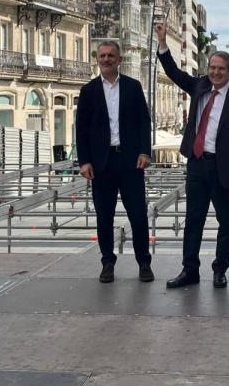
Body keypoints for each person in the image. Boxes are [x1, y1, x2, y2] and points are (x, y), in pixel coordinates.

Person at [156, 22, 229, 289]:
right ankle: (190, 270)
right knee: (193, 220)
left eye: (221, 69)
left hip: (224, 169)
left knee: (226, 222)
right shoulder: (199, 87)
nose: (216, 73)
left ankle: (220, 270)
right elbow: (174, 73)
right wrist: (163, 42)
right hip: (197, 165)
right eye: (212, 68)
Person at [75, 40, 154, 283]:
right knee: (104, 215)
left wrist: (145, 151)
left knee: (138, 215)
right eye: (102, 56)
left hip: (130, 160)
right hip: (101, 163)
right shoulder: (88, 91)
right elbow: (82, 128)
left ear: (119, 60)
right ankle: (107, 262)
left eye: (111, 56)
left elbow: (143, 121)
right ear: (97, 60)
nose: (106, 59)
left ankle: (144, 263)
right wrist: (84, 161)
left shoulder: (133, 86)